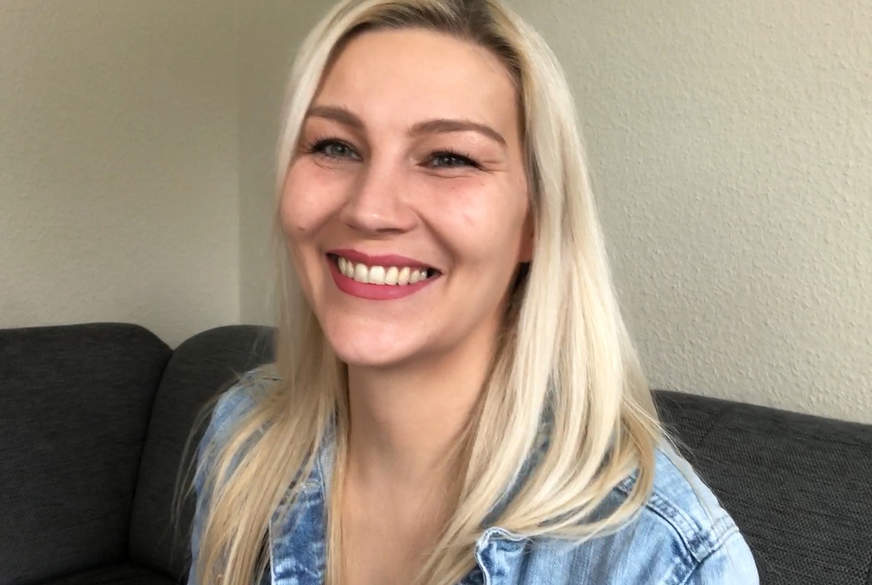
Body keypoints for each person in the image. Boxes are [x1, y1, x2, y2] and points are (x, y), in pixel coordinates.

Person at [181, 1, 759, 584]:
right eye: (335, 146)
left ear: (535, 220)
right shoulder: (245, 436)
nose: (370, 209)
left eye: (448, 157)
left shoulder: (661, 557)